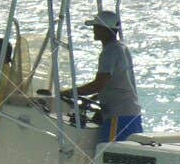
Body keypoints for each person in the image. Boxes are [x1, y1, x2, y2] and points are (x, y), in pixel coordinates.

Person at [61, 9, 143, 141]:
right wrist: (95, 97)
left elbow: (98, 84)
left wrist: (69, 92)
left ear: (105, 29)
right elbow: (115, 83)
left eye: (96, 27)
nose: (94, 29)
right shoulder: (121, 47)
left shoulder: (109, 51)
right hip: (131, 115)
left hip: (118, 116)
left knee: (110, 153)